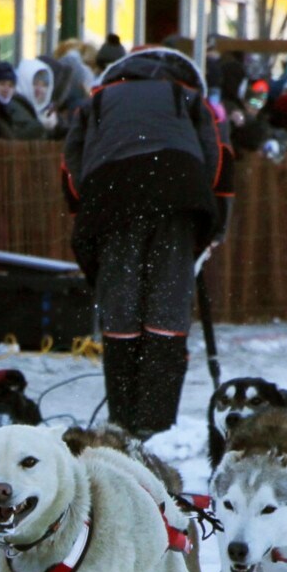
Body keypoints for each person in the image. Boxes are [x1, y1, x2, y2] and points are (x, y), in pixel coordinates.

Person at [60, 46, 234, 437]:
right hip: (179, 190)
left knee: (121, 308)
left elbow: (70, 164)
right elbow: (219, 158)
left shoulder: (98, 100)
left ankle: (122, 420)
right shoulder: (186, 95)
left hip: (110, 194)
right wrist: (213, 227)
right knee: (167, 310)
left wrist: (85, 222)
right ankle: (156, 425)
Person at [0, 60, 45, 140]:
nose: (6, 89)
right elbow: (9, 137)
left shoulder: (13, 105)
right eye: (2, 84)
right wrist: (38, 126)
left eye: (11, 85)